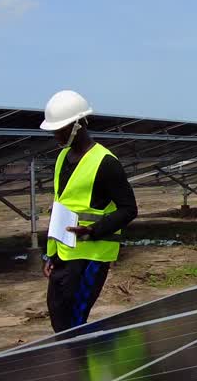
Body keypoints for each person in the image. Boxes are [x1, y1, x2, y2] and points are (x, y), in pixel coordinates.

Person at [39, 90, 138, 332]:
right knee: (58, 315)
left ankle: (86, 363)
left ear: (78, 125)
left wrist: (93, 230)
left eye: (60, 128)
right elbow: (63, 204)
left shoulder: (106, 163)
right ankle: (80, 360)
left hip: (90, 257)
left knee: (73, 323)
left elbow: (129, 209)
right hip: (64, 254)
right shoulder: (62, 157)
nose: (55, 134)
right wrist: (50, 254)